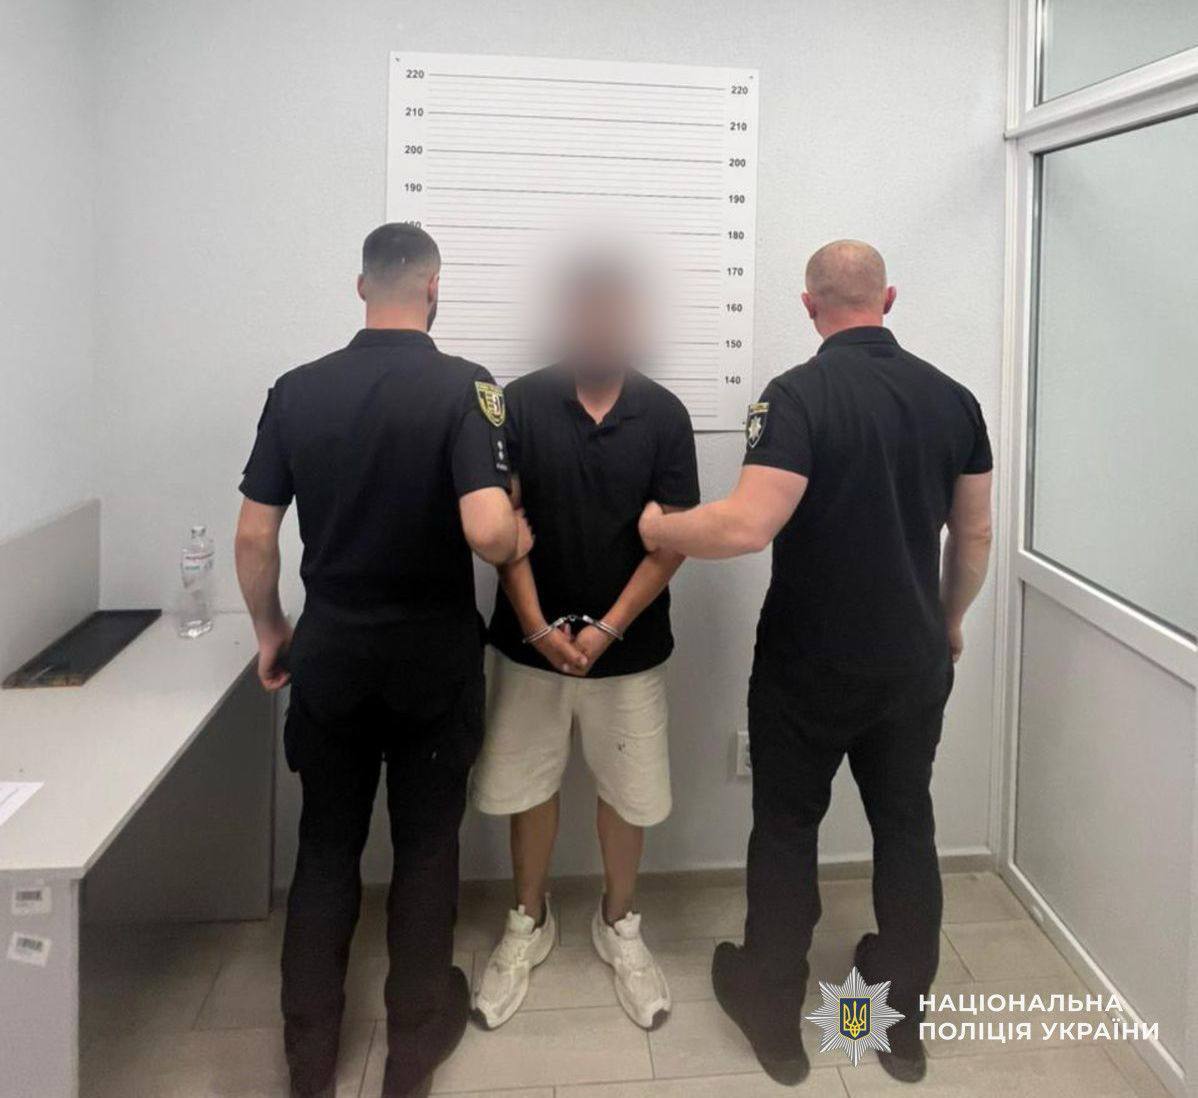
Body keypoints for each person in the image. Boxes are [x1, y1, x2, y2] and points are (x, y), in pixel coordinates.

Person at [639, 240, 993, 1084]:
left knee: (787, 828)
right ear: (888, 299)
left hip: (809, 667)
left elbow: (745, 524)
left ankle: (774, 1019)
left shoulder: (796, 395)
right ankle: (893, 1028)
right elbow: (974, 534)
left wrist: (658, 527)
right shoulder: (955, 399)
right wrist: (947, 622)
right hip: (910, 663)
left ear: (809, 306)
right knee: (905, 827)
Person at [234, 223, 531, 1098]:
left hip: (332, 651)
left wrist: (271, 632)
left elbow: (253, 537)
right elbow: (488, 531)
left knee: (326, 847)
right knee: (427, 848)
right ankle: (410, 1052)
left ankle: (310, 1060)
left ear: (361, 287)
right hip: (431, 659)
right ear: (433, 288)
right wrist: (517, 534)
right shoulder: (467, 387)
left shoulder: (296, 390)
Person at [469, 257, 700, 1032]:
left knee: (627, 793)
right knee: (526, 787)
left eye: (615, 314)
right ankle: (526, 922)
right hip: (527, 647)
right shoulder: (517, 406)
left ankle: (619, 923)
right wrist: (538, 626)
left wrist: (607, 628)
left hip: (628, 651)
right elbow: (503, 529)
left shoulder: (664, 414)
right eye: (588, 313)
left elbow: (672, 541)